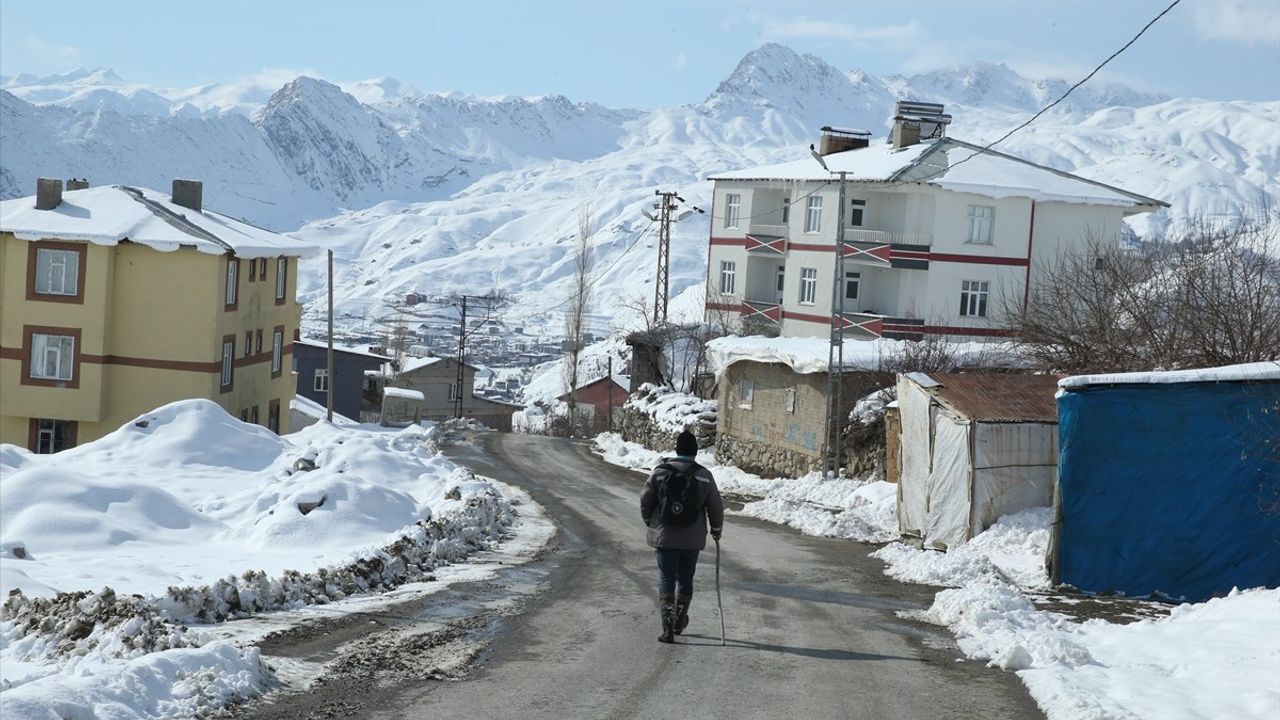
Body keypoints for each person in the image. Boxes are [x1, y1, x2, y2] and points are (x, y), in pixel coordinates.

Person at [640, 430, 724, 644]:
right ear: (695, 452)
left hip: (665, 536)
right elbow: (715, 506)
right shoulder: (704, 476)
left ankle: (667, 626)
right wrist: (716, 529)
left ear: (676, 450)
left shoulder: (660, 472)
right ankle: (679, 620)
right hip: (691, 540)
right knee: (685, 579)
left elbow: (645, 500)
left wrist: (651, 522)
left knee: (666, 577)